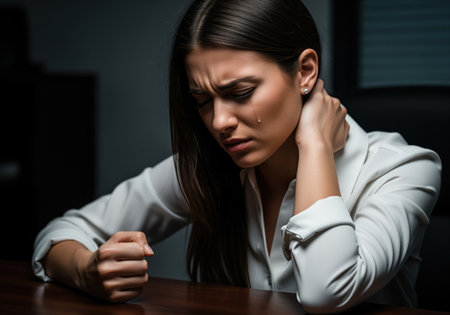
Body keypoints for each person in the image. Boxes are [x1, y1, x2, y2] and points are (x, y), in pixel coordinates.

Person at [32, 0, 441, 313]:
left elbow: (325, 292)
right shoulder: (211, 166)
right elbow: (60, 233)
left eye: (240, 93)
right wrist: (88, 271)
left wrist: (313, 142)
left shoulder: (402, 169)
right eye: (202, 101)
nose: (220, 121)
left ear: (305, 71)